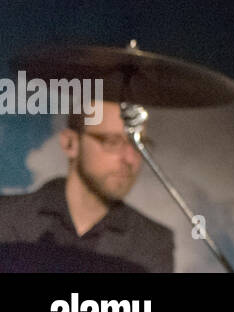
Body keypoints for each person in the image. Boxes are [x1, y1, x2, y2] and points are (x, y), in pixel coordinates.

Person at [0, 102, 174, 272]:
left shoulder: (153, 242)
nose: (130, 159)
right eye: (112, 142)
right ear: (70, 143)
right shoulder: (6, 216)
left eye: (139, 145)